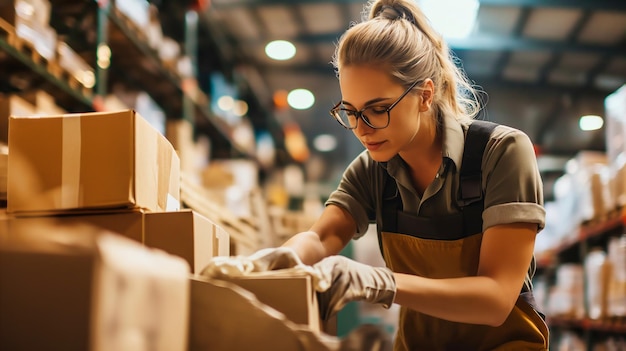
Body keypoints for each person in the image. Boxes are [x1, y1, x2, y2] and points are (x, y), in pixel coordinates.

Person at [204, 0, 549, 349]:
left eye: (378, 109)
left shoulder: (500, 153)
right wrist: (281, 260)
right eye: (351, 112)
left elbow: (496, 298)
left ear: (425, 95)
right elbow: (321, 239)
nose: (363, 129)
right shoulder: (373, 171)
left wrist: (383, 283)